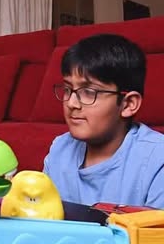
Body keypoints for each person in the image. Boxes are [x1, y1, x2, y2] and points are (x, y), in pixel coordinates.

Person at [43, 33, 164, 208]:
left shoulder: (157, 159)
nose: (71, 103)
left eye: (89, 92)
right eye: (68, 89)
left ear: (128, 104)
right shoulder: (60, 149)